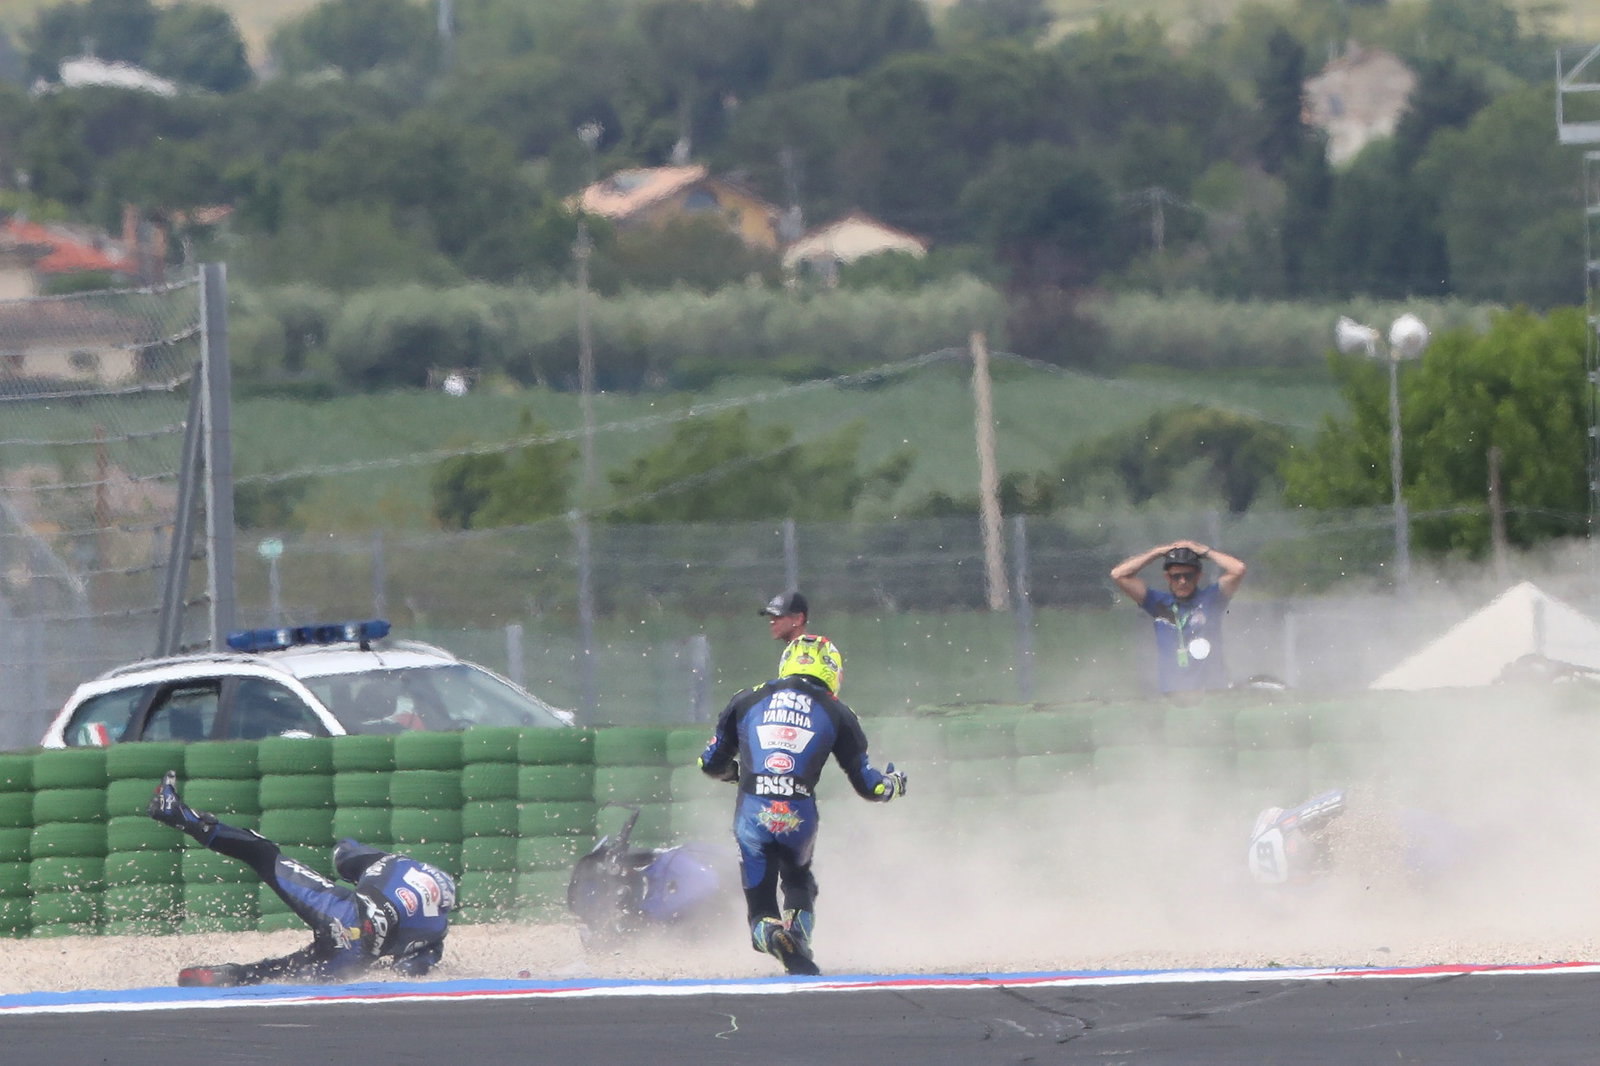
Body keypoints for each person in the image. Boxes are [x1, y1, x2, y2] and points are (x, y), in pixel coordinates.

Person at [698, 634, 906, 976]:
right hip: (798, 812)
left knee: (761, 904)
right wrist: (894, 786)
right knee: (799, 879)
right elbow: (871, 786)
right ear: (832, 671)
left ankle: (770, 931)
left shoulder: (747, 698)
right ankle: (798, 937)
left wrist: (734, 774)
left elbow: (709, 763)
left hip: (753, 810)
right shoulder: (838, 711)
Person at [147, 771, 456, 986]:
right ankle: (227, 977)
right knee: (286, 970)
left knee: (263, 853)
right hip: (352, 957)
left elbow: (342, 856)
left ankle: (180, 815)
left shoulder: (394, 863)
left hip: (339, 910)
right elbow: (409, 971)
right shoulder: (437, 930)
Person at [1110, 539, 1247, 694]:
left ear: (1198, 577)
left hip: (1212, 691)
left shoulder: (1212, 599)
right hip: (1172, 692)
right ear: (1168, 578)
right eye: (1176, 576)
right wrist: (1158, 552)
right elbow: (1118, 574)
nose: (1182, 581)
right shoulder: (1158, 603)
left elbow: (1238, 569)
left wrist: (1204, 551)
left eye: (1188, 576)